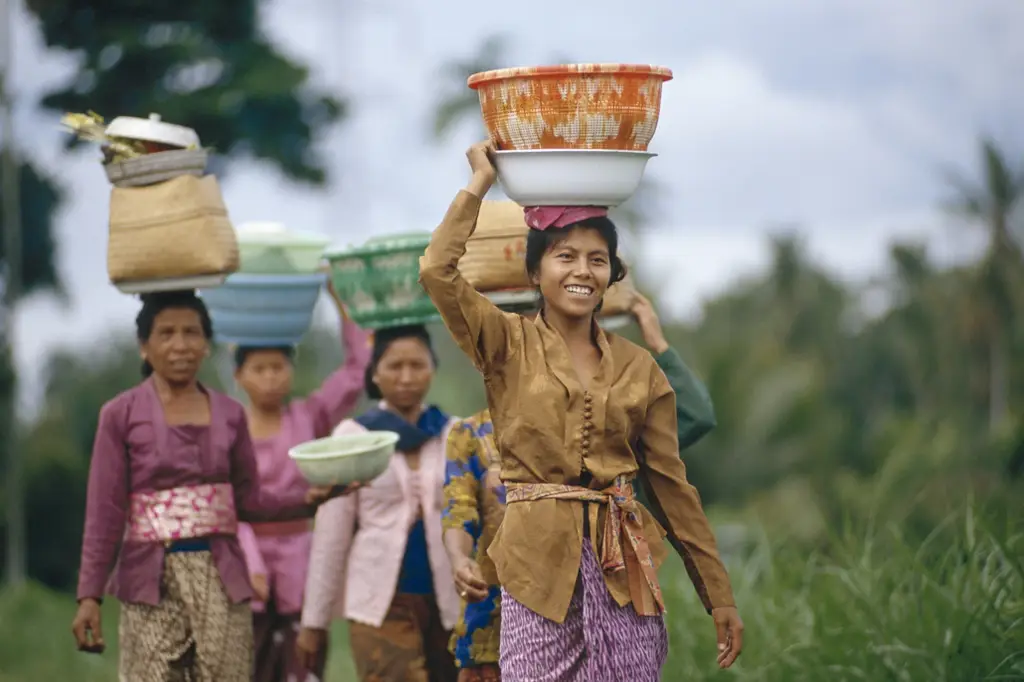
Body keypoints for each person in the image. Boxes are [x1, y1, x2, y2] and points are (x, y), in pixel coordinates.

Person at [418, 141, 744, 681]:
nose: (582, 271)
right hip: (535, 567)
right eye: (565, 256)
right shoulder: (504, 342)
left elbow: (670, 487)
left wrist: (718, 593)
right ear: (536, 271)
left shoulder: (642, 370)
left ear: (612, 274)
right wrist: (479, 182)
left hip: (625, 569)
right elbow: (437, 270)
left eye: (597, 260)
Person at [70, 290, 358, 682]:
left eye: (192, 333)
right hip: (149, 580)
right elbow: (104, 513)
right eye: (166, 333)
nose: (180, 345)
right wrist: (89, 596)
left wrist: (308, 502)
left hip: (223, 580)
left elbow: (249, 501)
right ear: (144, 346)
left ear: (206, 345)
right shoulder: (120, 415)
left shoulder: (229, 415)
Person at [441, 293, 717, 681]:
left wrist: (654, 339)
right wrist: (458, 559)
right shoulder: (471, 435)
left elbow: (694, 416)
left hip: (600, 598)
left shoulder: (603, 431)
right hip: (502, 603)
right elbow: (457, 511)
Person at [297, 324, 462, 682]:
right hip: (380, 601)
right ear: (374, 374)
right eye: (394, 366)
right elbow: (331, 536)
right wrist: (314, 622)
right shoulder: (354, 437)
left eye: (417, 365)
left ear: (432, 369)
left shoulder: (455, 433)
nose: (406, 377)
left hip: (451, 598)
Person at [233, 279, 371, 682]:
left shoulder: (309, 416)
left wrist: (340, 300)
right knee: (249, 664)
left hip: (301, 558)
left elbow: (356, 371)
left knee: (305, 664)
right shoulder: (229, 428)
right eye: (259, 368)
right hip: (245, 558)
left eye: (278, 367)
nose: (270, 377)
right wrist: (250, 565)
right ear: (239, 375)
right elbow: (226, 502)